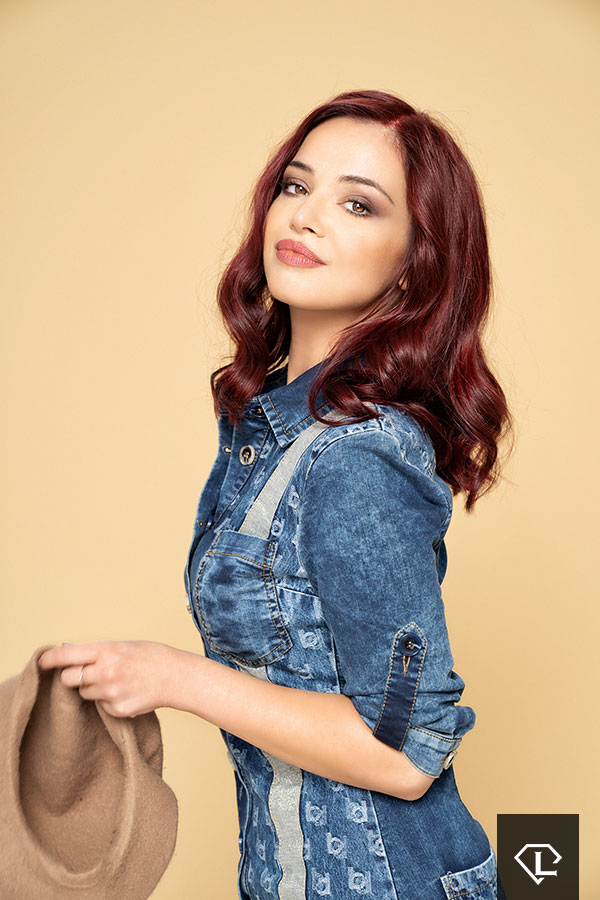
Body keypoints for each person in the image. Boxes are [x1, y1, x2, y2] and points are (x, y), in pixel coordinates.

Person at [38, 89, 513, 899]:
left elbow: (407, 752)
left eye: (358, 204)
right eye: (296, 186)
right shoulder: (270, 431)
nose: (307, 216)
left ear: (415, 264)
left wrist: (174, 677)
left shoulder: (358, 457)